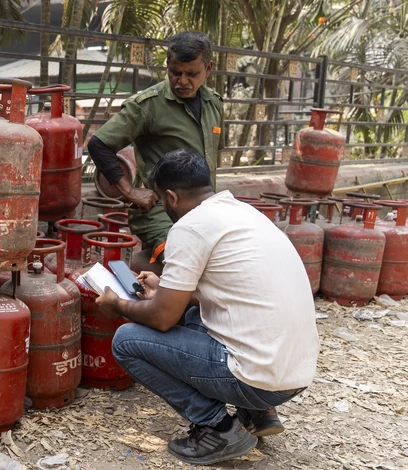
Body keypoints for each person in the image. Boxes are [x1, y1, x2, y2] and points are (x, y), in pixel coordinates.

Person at [94, 149, 319, 466]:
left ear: (171, 197)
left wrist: (117, 304)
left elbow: (161, 318)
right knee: (192, 313)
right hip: (295, 372)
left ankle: (218, 428)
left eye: (160, 199)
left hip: (259, 378)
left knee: (127, 341)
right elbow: (232, 290)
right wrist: (163, 288)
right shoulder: (244, 213)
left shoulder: (189, 227)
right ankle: (257, 413)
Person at [87, 31, 224, 266]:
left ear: (208, 69)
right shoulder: (148, 105)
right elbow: (98, 144)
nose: (182, 81)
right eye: (175, 72)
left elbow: (214, 159)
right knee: (179, 262)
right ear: (167, 66)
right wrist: (130, 191)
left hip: (203, 214)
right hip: (161, 212)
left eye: (191, 74)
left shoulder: (214, 104)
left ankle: (138, 274)